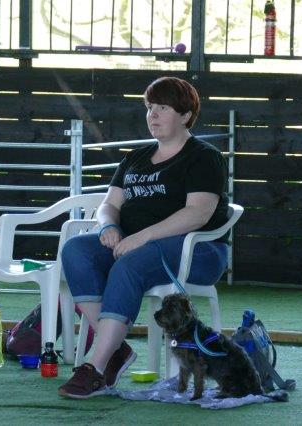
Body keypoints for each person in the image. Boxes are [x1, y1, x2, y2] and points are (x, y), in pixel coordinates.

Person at [58, 76, 230, 399]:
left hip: (197, 251)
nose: (153, 114)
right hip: (135, 246)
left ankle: (96, 369)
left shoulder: (204, 157)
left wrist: (142, 237)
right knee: (76, 250)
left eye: (162, 108)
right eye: (150, 107)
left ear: (186, 115)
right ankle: (116, 349)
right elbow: (109, 205)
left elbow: (198, 213)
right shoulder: (134, 159)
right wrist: (108, 226)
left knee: (130, 264)